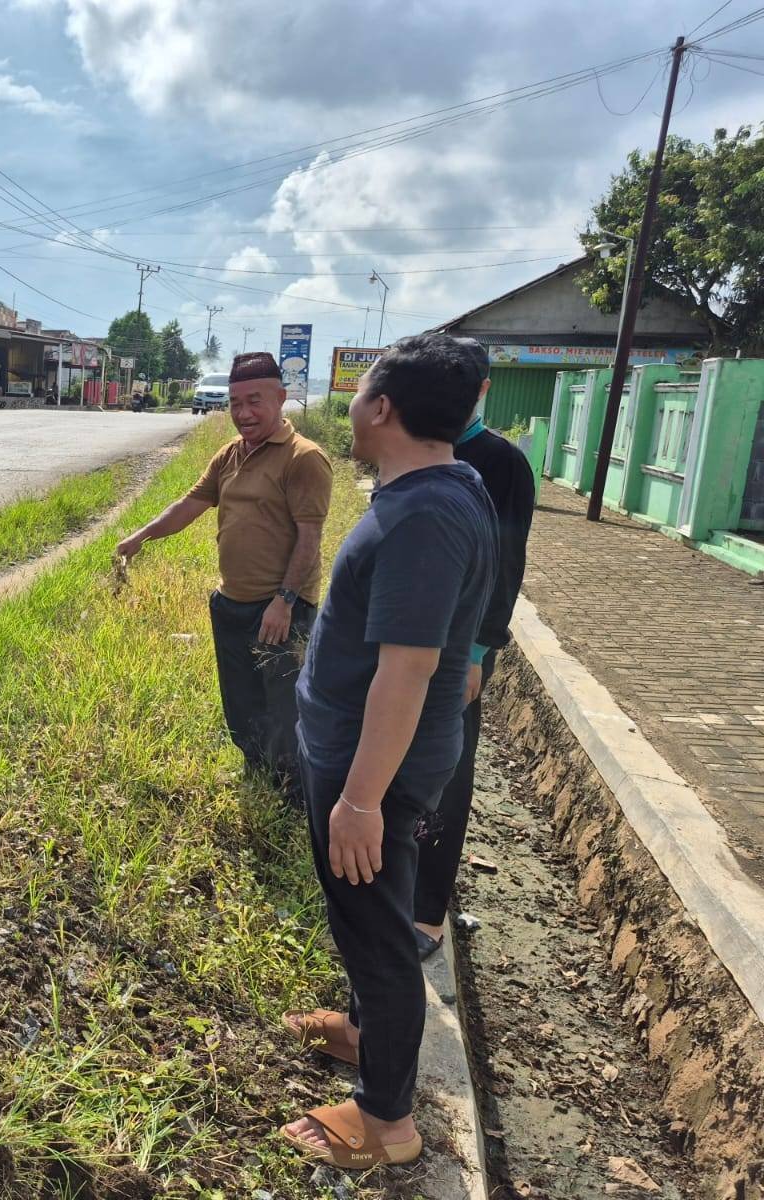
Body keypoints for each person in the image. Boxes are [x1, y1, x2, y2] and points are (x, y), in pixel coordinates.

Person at [281, 334, 497, 1170]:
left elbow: (406, 670)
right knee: (364, 919)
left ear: (383, 409)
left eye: (361, 390)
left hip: (374, 764)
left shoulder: (427, 514)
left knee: (377, 932)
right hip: (366, 753)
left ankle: (386, 1123)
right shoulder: (438, 489)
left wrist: (363, 798)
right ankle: (364, 1032)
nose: (353, 403)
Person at [116, 351, 333, 801]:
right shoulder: (230, 454)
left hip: (279, 608)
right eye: (235, 402)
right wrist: (140, 537)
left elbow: (310, 538)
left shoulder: (303, 458)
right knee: (241, 701)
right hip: (231, 601)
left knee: (283, 707)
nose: (243, 413)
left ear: (281, 397)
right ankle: (256, 774)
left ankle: (291, 795)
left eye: (254, 401)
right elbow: (188, 506)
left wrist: (285, 600)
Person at [412, 338, 535, 958]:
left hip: (457, 654)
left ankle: (429, 914)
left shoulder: (499, 462)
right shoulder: (416, 448)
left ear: (482, 388)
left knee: (449, 776)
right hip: (406, 649)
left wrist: (479, 654)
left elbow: (507, 566)